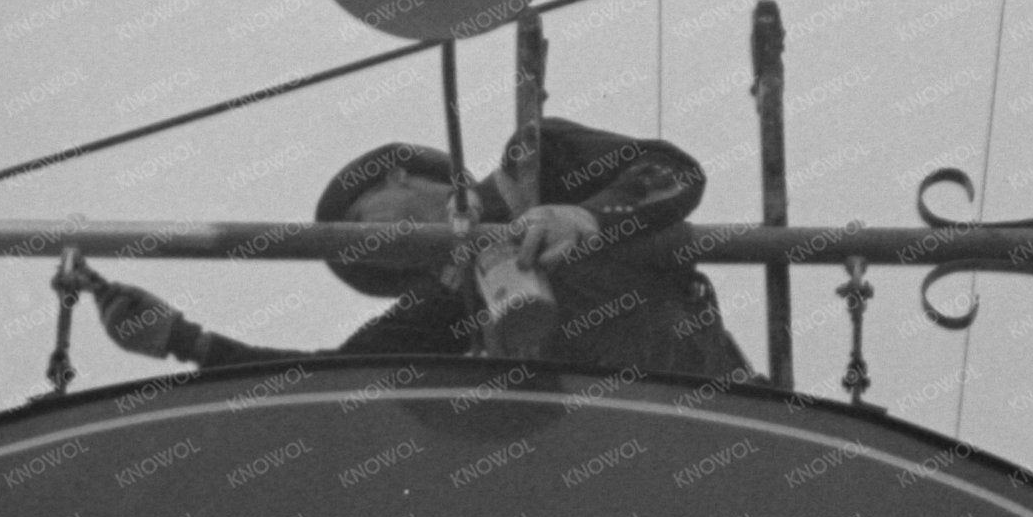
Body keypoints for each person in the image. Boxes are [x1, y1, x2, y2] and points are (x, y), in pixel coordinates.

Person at [94, 116, 755, 384]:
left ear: (398, 174)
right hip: (601, 449)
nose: (367, 257)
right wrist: (184, 340)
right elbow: (333, 381)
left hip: (701, 392)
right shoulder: (446, 300)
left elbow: (670, 172)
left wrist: (586, 216)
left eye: (358, 226)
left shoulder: (533, 164)